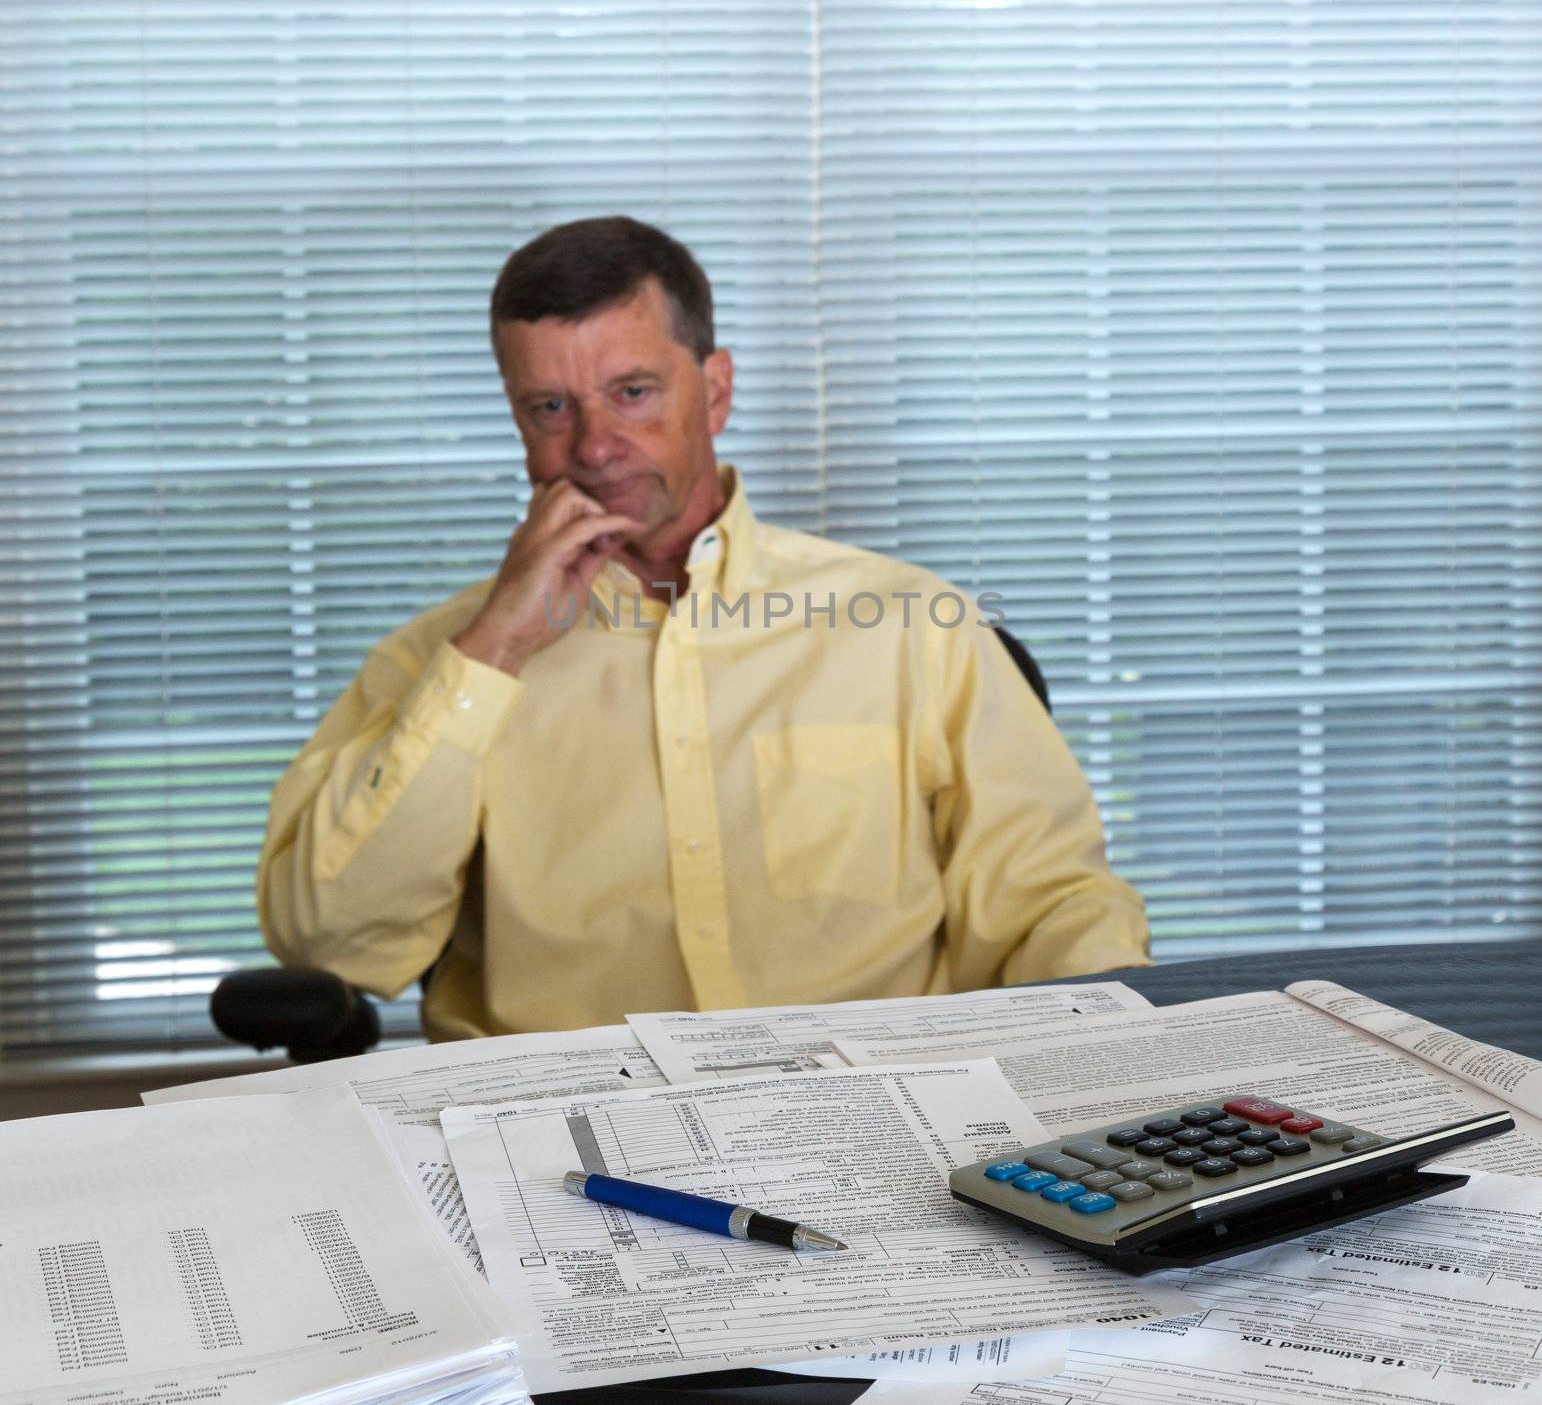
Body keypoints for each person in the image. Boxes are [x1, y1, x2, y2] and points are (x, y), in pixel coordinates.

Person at [257, 216, 1150, 1039]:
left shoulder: (915, 627)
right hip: (544, 1136)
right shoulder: (441, 657)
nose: (596, 445)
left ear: (714, 392)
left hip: (871, 1116)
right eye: (550, 407)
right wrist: (493, 654)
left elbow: (1051, 907)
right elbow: (332, 944)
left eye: (633, 391)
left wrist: (1116, 1061)